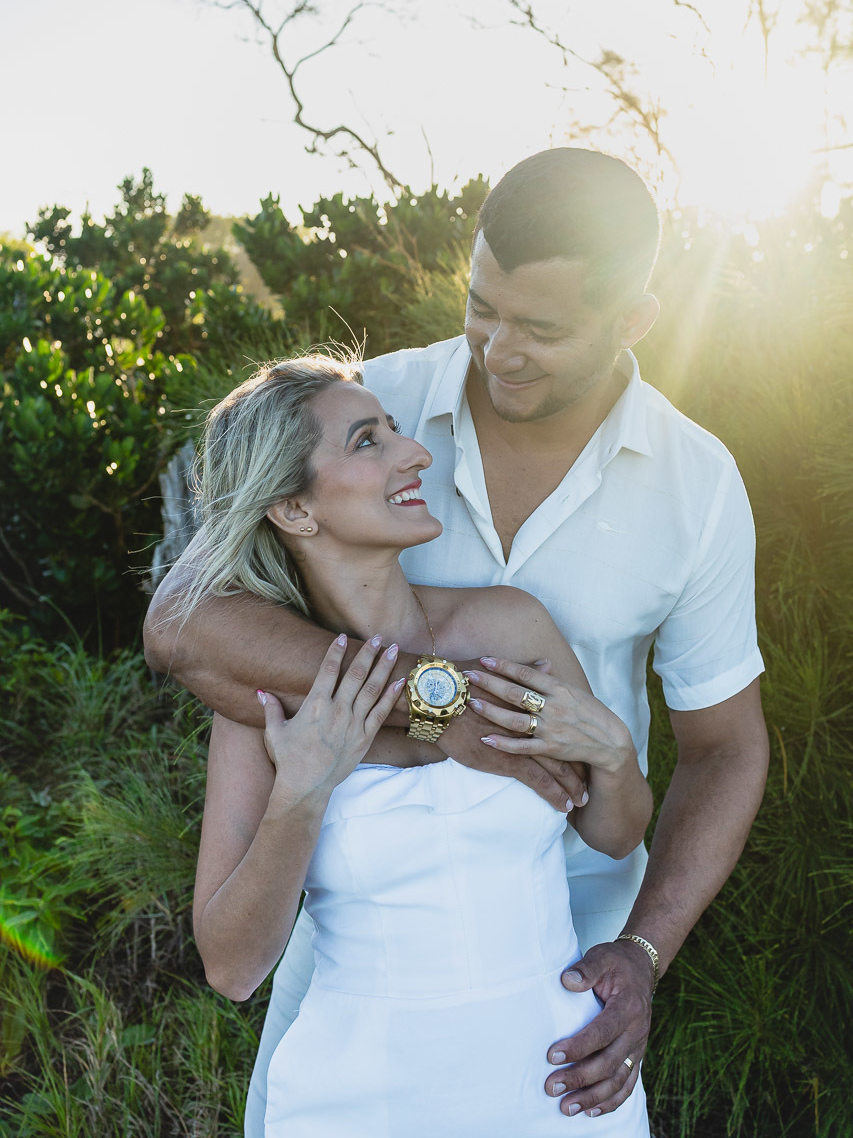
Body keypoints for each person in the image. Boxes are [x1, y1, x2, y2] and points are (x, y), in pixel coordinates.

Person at [144, 147, 769, 1127]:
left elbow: (724, 749)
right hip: (351, 988)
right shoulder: (370, 397)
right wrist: (440, 705)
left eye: (541, 327)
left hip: (561, 991)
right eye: (482, 305)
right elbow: (179, 618)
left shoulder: (696, 484)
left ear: (631, 321)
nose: (496, 345)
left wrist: (641, 951)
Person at [185, 353, 654, 1135]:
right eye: (368, 441)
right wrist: (300, 795)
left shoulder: (508, 627)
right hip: (361, 1101)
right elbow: (232, 970)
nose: (415, 454)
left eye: (397, 431)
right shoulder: (264, 701)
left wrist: (612, 755)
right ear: (295, 509)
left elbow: (613, 833)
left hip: (561, 1086)